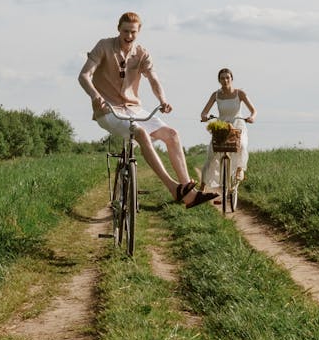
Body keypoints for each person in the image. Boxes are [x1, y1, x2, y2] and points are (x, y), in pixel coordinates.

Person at [79, 12, 218, 208]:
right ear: (118, 29)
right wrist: (95, 96)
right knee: (141, 132)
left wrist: (163, 100)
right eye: (125, 31)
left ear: (139, 31)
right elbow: (84, 75)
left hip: (134, 109)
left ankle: (187, 190)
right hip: (108, 110)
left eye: (133, 32)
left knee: (172, 134)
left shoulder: (142, 53)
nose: (129, 36)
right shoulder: (104, 46)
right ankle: (172, 187)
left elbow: (153, 79)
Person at [199, 67, 257, 189]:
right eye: (222, 78)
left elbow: (254, 111)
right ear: (219, 80)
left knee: (242, 145)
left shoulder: (239, 93)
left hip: (237, 125)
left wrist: (251, 117)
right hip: (222, 127)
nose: (225, 80)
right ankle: (202, 186)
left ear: (231, 79)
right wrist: (204, 116)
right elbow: (204, 112)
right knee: (211, 154)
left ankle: (240, 169)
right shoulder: (216, 95)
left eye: (227, 78)